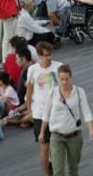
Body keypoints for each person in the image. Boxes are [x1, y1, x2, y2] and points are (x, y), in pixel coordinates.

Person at [38, 64, 93, 176]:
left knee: (73, 169)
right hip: (56, 136)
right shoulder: (53, 93)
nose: (64, 82)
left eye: (67, 79)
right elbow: (46, 114)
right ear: (58, 79)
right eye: (61, 79)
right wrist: (41, 132)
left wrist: (91, 129)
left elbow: (86, 112)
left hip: (74, 135)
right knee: (58, 171)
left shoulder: (79, 92)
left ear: (71, 78)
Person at [25, 41, 62, 176]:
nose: (49, 58)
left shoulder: (59, 67)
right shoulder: (33, 70)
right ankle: (46, 173)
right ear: (40, 56)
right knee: (44, 146)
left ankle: (56, 166)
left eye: (50, 55)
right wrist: (29, 110)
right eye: (46, 55)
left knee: (58, 144)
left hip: (57, 111)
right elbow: (29, 91)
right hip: (40, 113)